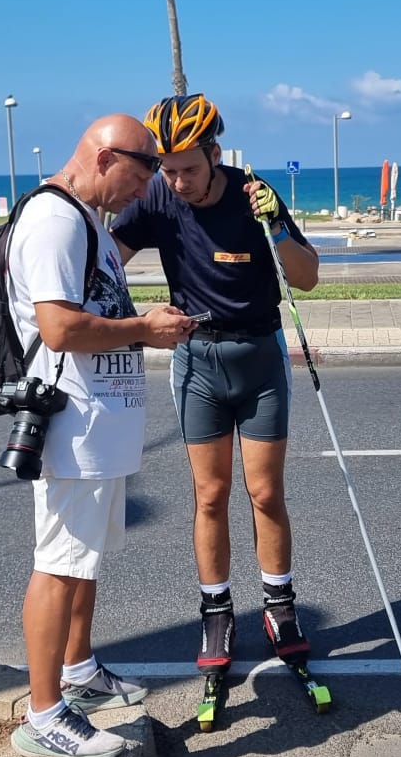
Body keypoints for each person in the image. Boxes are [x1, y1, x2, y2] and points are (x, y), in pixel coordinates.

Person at [6, 114, 196, 757]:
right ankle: (44, 713)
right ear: (107, 157)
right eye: (142, 178)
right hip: (71, 427)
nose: (143, 195)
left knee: (82, 562)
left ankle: (79, 671)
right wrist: (144, 330)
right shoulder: (56, 219)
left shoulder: (87, 219)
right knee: (58, 565)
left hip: (98, 425)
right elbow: (59, 329)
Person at [111, 93, 321, 677]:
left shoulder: (255, 194)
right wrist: (128, 317)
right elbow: (106, 264)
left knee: (264, 493)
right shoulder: (155, 195)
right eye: (168, 170)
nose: (177, 183)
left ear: (215, 154)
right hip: (197, 362)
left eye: (189, 170)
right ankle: (217, 610)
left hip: (259, 357)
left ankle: (279, 607)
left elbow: (306, 279)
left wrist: (276, 224)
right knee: (209, 495)